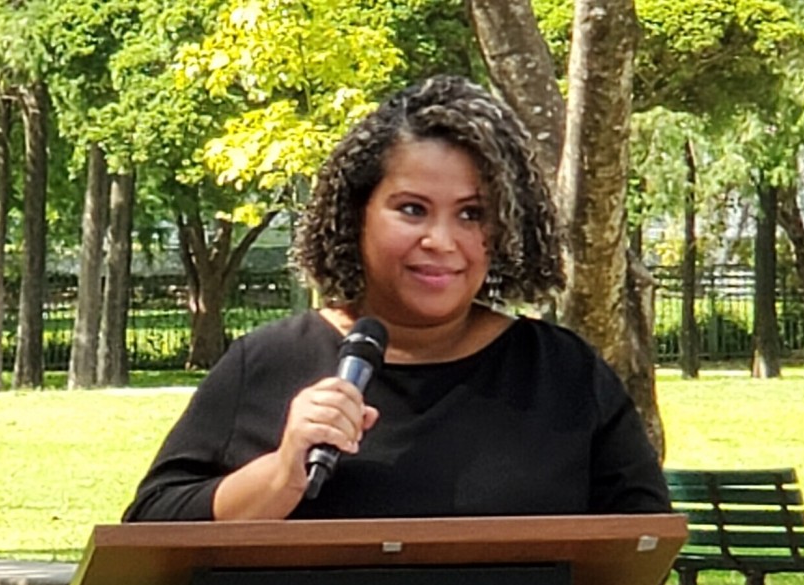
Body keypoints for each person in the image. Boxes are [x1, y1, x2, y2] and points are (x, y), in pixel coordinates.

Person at [122, 75, 670, 522]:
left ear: (505, 229)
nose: (442, 241)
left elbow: (638, 546)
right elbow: (151, 527)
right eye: (411, 209)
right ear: (356, 213)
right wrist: (280, 473)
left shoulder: (563, 373)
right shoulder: (267, 364)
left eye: (472, 214)